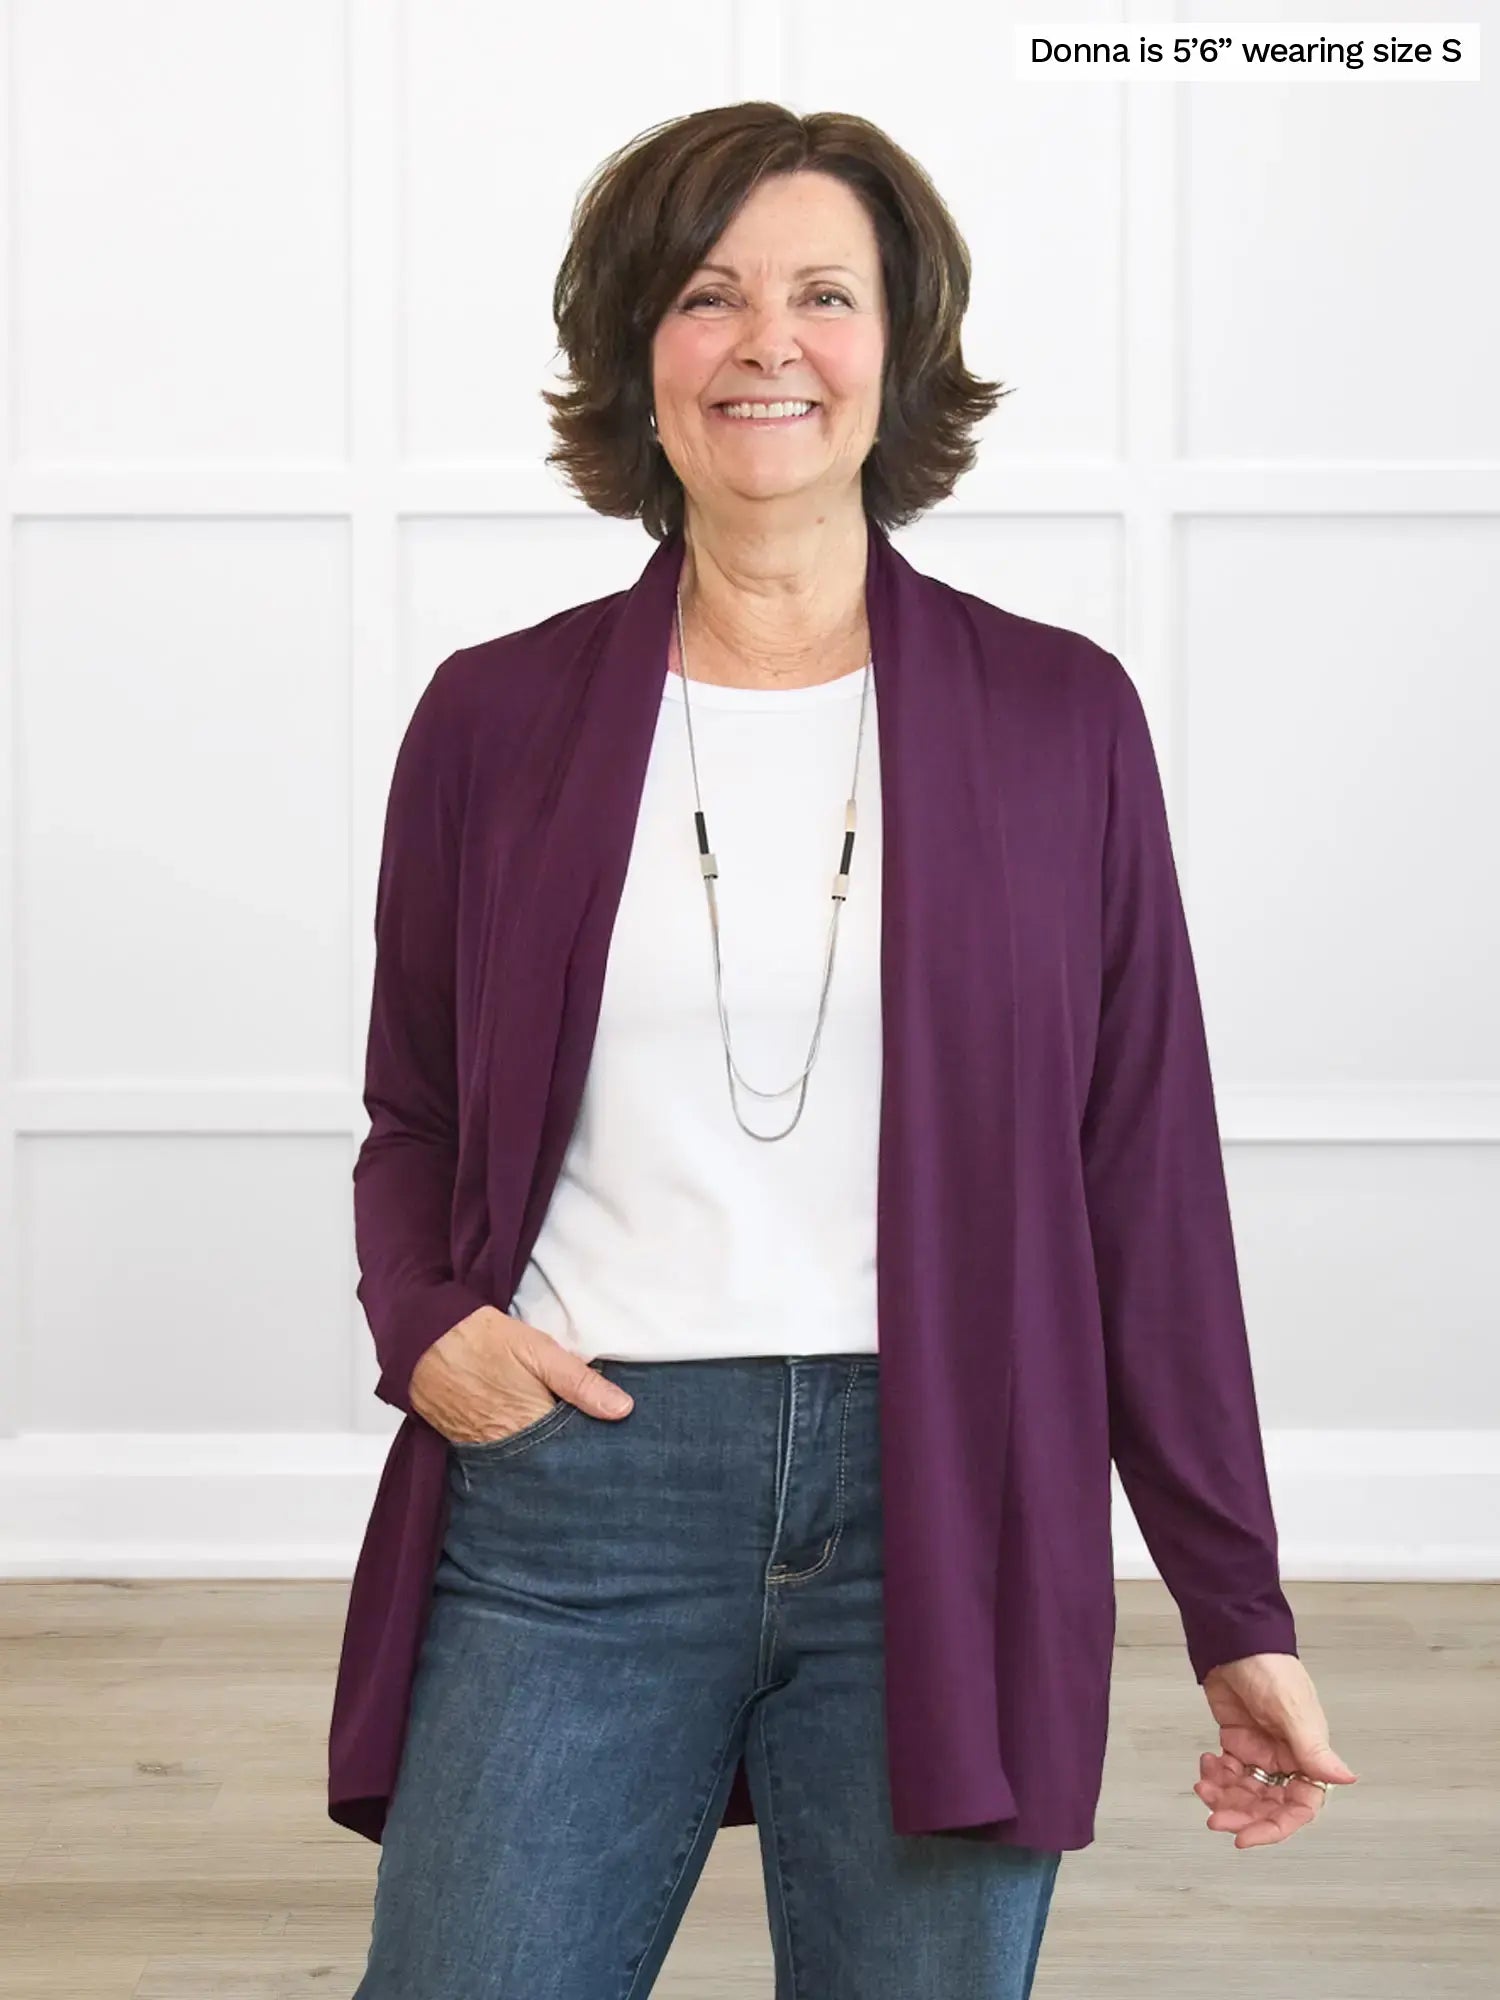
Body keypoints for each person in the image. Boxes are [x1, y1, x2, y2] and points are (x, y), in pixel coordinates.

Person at [342, 102, 1357, 1999]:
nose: (768, 343)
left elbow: (1143, 1182)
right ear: (639, 351)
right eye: (707, 296)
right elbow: (413, 1105)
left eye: (825, 294)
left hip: (951, 1500)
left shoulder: (1060, 719)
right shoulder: (492, 719)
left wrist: (1237, 1605)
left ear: (901, 349)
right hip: (581, 1480)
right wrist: (424, 1326)